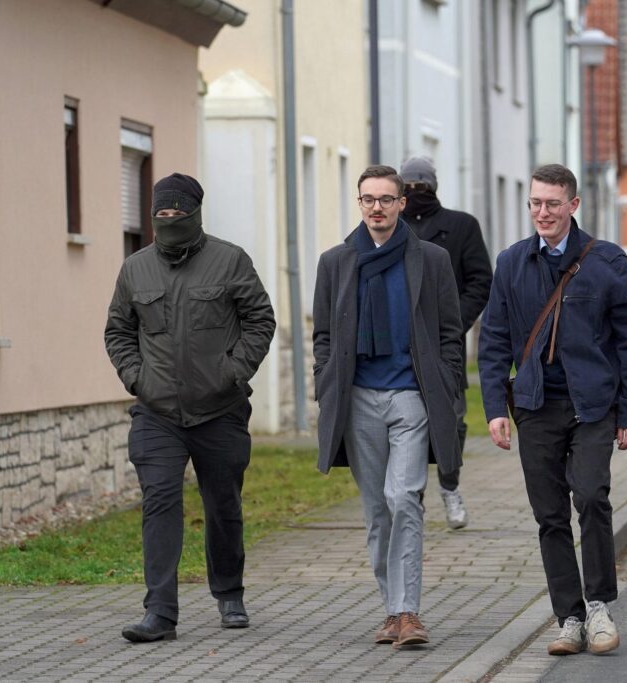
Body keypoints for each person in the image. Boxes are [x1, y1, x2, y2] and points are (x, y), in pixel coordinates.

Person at [478, 164, 627, 656]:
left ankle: (599, 607)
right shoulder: (511, 263)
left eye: (552, 203)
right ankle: (570, 618)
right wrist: (494, 407)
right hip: (535, 407)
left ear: (573, 205)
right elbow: (493, 341)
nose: (543, 212)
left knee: (592, 495)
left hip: (593, 405)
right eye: (535, 203)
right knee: (549, 514)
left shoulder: (607, 261)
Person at [105, 173, 276, 643]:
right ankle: (159, 612)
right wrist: (137, 378)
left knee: (223, 505)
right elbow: (118, 331)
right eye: (161, 213)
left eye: (178, 213)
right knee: (160, 500)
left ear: (195, 213)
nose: (170, 219)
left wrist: (233, 372)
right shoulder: (135, 269)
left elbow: (260, 319)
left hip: (220, 409)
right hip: (157, 412)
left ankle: (230, 592)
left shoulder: (230, 260)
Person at [312, 165, 463, 648]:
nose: (376, 207)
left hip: (411, 397)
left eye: (385, 199)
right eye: (368, 199)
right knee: (377, 509)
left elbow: (450, 332)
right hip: (358, 400)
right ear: (359, 204)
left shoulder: (431, 260)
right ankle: (391, 610)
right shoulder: (336, 262)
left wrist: (447, 383)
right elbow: (323, 335)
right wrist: (325, 382)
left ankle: (408, 612)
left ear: (401, 204)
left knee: (405, 498)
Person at [399, 156, 492, 530]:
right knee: (407, 422)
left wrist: (454, 324)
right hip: (400, 344)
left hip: (444, 343)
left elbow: (480, 281)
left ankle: (450, 486)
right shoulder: (391, 227)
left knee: (452, 421)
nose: (416, 192)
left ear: (434, 186)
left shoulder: (461, 226)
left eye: (422, 185)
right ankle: (413, 498)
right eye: (409, 186)